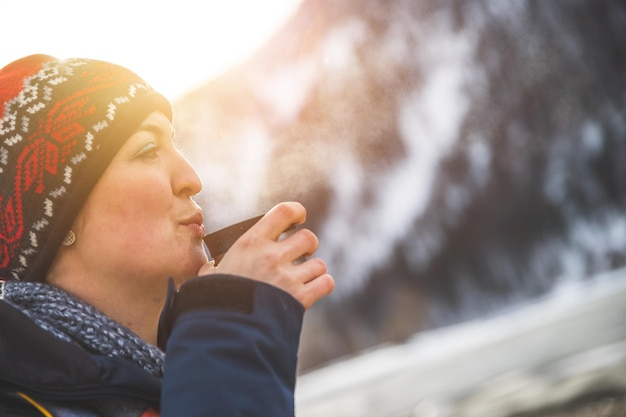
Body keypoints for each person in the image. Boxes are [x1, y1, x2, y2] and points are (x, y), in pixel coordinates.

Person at [0, 54, 334, 416]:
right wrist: (226, 339)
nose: (191, 179)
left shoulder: (169, 377)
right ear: (55, 220)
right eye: (147, 150)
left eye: (174, 144)